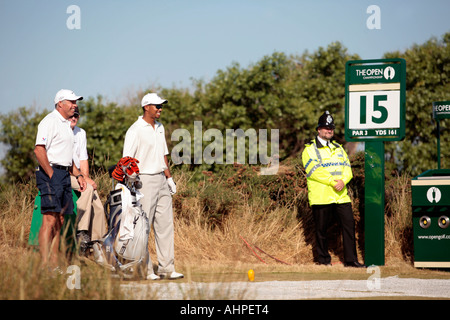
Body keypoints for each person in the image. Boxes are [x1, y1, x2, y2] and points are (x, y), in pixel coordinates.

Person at [123, 92, 183, 280]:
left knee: (165, 225)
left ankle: (167, 268)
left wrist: (169, 178)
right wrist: (132, 178)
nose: (160, 109)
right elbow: (126, 160)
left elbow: (163, 154)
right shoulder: (135, 129)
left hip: (161, 179)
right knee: (144, 227)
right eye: (157, 106)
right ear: (146, 107)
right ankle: (146, 270)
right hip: (144, 181)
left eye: (161, 106)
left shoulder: (160, 127)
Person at [302, 111, 365, 268]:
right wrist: (332, 182)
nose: (328, 130)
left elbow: (347, 169)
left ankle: (351, 261)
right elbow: (314, 171)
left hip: (341, 195)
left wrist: (343, 181)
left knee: (349, 227)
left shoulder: (339, 148)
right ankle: (323, 260)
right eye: (325, 128)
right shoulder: (309, 149)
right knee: (321, 230)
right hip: (322, 196)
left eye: (331, 128)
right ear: (318, 129)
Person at [34, 89, 87, 268]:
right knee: (49, 219)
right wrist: (50, 174)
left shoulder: (66, 125)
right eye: (71, 102)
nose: (75, 105)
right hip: (50, 173)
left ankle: (55, 265)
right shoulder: (49, 121)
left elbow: (69, 156)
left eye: (75, 102)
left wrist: (78, 175)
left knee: (60, 220)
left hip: (64, 173)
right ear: (60, 104)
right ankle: (45, 265)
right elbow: (39, 150)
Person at [69, 106, 107, 255]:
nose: (74, 118)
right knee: (88, 189)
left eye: (76, 116)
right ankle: (82, 232)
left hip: (77, 175)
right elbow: (67, 162)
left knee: (97, 202)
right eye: (72, 115)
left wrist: (86, 178)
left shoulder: (81, 132)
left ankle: (98, 243)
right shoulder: (62, 131)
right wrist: (82, 179)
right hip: (64, 174)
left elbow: (83, 159)